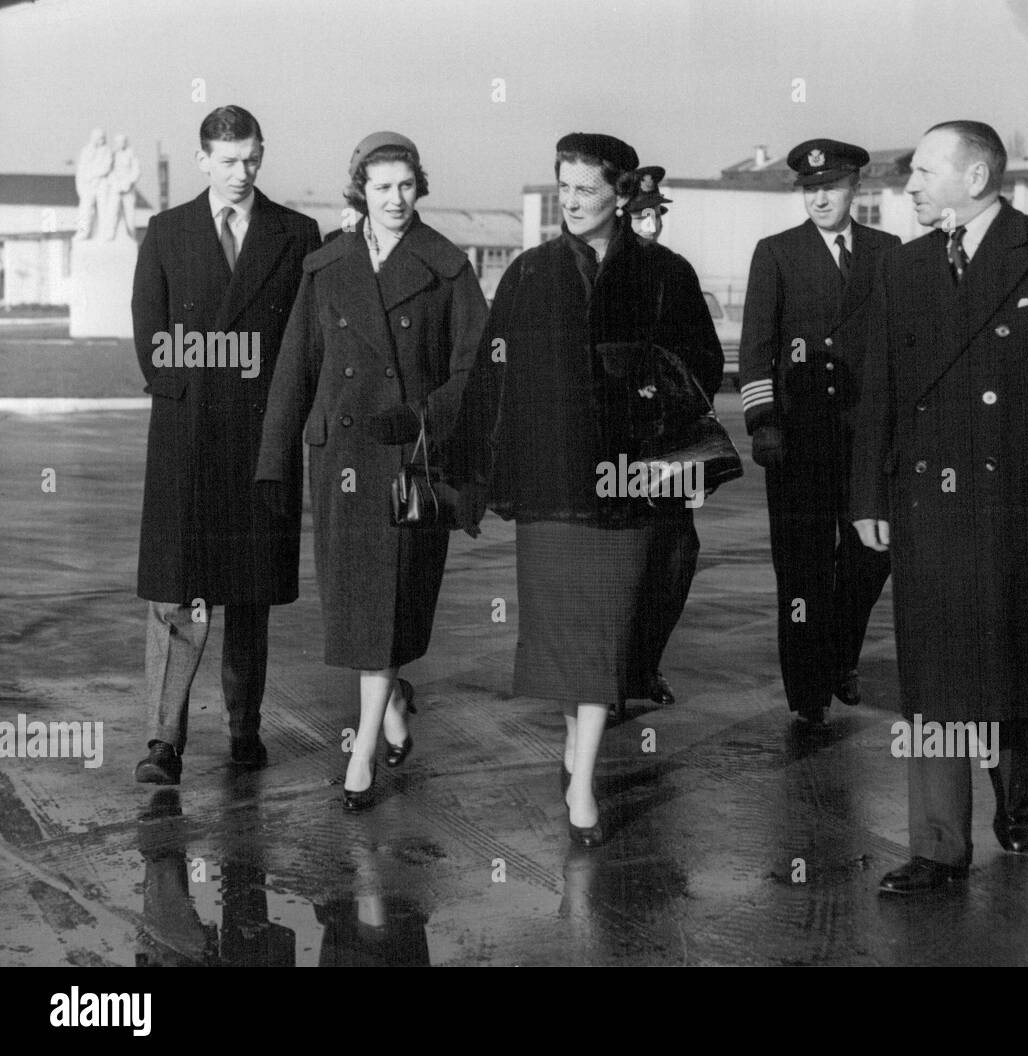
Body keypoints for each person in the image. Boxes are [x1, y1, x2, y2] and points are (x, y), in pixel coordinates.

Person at [850, 121, 1028, 895]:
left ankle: (1013, 779)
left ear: (976, 178)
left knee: (1010, 675)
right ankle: (939, 847)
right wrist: (867, 494)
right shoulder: (904, 267)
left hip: (1022, 503)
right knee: (935, 679)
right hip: (926, 506)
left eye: (922, 171)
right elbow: (879, 387)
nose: (908, 185)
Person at [462, 132, 722, 846]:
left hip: (631, 481)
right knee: (564, 635)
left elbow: (701, 365)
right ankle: (578, 744)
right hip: (552, 486)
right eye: (564, 188)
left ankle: (581, 779)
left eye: (585, 189)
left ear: (620, 192)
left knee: (606, 633)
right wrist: (472, 473)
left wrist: (644, 383)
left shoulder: (666, 273)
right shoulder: (529, 272)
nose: (572, 202)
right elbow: (493, 371)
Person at [256, 131, 488, 811]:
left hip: (408, 461)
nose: (395, 199)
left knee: (385, 604)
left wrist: (425, 417)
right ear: (361, 190)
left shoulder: (446, 267)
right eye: (382, 187)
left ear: (420, 187)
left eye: (406, 185)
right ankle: (389, 705)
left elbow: (479, 368)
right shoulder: (325, 266)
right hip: (340, 462)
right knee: (356, 608)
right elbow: (295, 368)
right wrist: (274, 460)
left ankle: (361, 750)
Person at [131, 105, 321, 785]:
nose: (241, 172)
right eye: (228, 159)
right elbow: (151, 336)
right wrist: (192, 385)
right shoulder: (167, 231)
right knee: (175, 597)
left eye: (252, 158)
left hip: (261, 438)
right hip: (186, 441)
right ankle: (163, 742)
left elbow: (305, 340)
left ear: (261, 154)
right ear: (203, 159)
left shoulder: (297, 234)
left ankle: (245, 729)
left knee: (248, 598)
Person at [738, 138, 897, 729]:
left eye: (831, 187)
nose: (820, 198)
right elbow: (756, 349)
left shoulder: (888, 252)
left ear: (857, 188)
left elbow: (899, 347)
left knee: (868, 558)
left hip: (866, 440)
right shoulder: (776, 253)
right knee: (802, 569)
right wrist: (763, 421)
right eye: (810, 189)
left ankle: (840, 655)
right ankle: (808, 691)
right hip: (799, 442)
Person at [623, 164, 722, 713]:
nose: (652, 224)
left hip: (670, 441)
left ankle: (645, 664)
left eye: (657, 213)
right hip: (615, 443)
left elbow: (706, 353)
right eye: (641, 214)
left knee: (676, 552)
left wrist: (679, 397)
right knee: (621, 558)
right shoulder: (600, 271)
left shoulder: (677, 272)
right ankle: (608, 675)